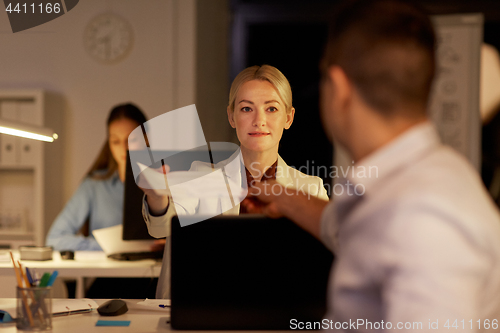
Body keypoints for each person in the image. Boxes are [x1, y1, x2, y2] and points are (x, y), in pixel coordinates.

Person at [243, 0, 500, 330]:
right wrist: (285, 197)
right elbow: (356, 229)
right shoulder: (431, 176)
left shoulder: (422, 219)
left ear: (338, 88)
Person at [141, 65, 329, 299]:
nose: (259, 120)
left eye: (271, 108)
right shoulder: (199, 177)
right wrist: (157, 197)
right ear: (231, 116)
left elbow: (320, 265)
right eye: (247, 108)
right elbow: (161, 226)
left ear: (288, 118)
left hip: (282, 310)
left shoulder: (311, 188)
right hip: (208, 308)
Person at [46, 103, 147, 251]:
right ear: (109, 143)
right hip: (107, 272)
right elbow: (55, 238)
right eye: (116, 141)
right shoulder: (94, 185)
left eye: (132, 140)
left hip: (154, 271)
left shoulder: (164, 182)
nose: (124, 148)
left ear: (146, 138)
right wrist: (107, 247)